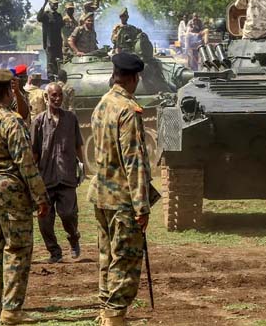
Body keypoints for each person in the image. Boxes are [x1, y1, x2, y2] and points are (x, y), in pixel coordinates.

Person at [0, 68, 49, 325]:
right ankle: (11, 311)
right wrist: (41, 196)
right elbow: (26, 162)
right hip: (10, 193)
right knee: (17, 250)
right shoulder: (11, 121)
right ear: (8, 91)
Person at [89, 53, 159, 326]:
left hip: (102, 195)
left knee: (107, 256)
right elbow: (135, 161)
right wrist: (142, 207)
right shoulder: (128, 110)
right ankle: (115, 317)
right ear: (133, 77)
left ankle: (106, 310)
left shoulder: (103, 104)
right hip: (122, 199)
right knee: (126, 259)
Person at [31, 83, 84, 263]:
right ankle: (54, 252)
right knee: (44, 218)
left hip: (67, 175)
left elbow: (78, 144)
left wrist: (83, 166)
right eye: (53, 95)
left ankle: (74, 238)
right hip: (45, 176)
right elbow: (34, 152)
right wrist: (31, 177)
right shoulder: (38, 121)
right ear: (46, 98)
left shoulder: (71, 118)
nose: (57, 98)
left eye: (60, 95)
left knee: (68, 214)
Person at [36, 0, 64, 77]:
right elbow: (39, 18)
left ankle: (59, 78)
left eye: (57, 4)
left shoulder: (59, 16)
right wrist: (44, 3)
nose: (56, 6)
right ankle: (51, 79)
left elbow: (61, 26)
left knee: (59, 63)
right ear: (50, 4)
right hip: (50, 44)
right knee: (51, 63)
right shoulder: (46, 15)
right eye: (54, 4)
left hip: (58, 44)